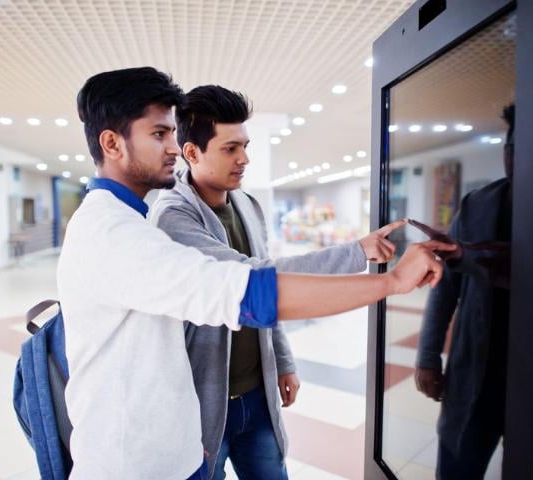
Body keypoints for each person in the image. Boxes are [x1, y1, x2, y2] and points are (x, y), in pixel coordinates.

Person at [58, 66, 453, 480]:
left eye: (172, 133)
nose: (173, 147)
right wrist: (389, 281)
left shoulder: (135, 222)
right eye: (160, 134)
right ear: (111, 143)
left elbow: (257, 284)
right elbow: (248, 288)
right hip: (138, 461)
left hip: (174, 448)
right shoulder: (119, 233)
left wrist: (281, 360)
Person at [150, 84, 405, 479]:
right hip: (203, 403)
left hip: (257, 393)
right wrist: (357, 254)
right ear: (192, 152)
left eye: (245, 146)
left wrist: (282, 361)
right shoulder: (172, 217)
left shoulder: (248, 205)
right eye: (230, 148)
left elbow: (271, 299)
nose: (244, 158)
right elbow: (254, 280)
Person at [414, 104, 514, 479]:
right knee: (457, 465)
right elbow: (445, 287)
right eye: (513, 149)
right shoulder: (478, 204)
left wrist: (466, 254)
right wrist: (427, 357)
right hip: (474, 368)